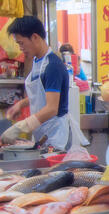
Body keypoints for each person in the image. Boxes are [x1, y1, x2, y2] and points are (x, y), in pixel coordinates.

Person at [1, 16, 88, 150]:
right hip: (43, 132)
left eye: (21, 43)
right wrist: (21, 104)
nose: (21, 48)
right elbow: (42, 94)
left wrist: (20, 127)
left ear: (35, 37)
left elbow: (52, 108)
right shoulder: (38, 62)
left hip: (56, 135)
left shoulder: (52, 66)